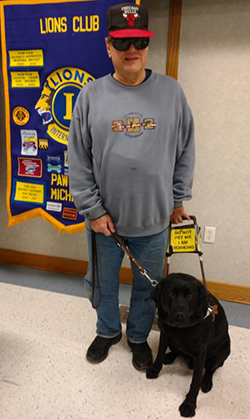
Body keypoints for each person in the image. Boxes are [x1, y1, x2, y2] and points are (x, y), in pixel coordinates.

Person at [68, 2, 195, 371]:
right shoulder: (90, 96)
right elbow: (78, 159)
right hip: (105, 223)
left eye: (139, 40)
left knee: (149, 289)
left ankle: (138, 336)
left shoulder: (172, 93)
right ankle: (108, 331)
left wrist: (177, 199)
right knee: (103, 285)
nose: (131, 50)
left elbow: (186, 149)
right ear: (108, 46)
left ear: (147, 45)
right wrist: (93, 210)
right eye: (122, 43)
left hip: (155, 221)